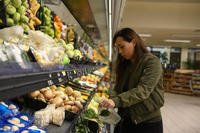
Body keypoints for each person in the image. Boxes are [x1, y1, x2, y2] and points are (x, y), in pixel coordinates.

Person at [100, 28, 164, 133]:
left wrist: (115, 101)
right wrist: (110, 97)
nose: (120, 51)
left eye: (122, 47)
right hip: (125, 119)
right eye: (117, 48)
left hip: (146, 123)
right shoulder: (126, 64)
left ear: (133, 42)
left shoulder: (152, 62)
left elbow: (143, 90)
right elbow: (120, 88)